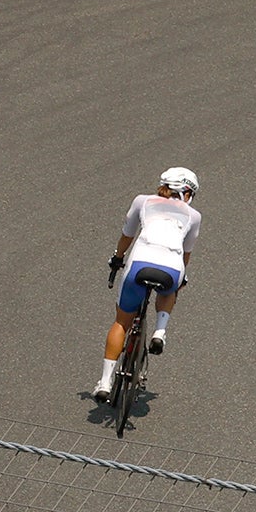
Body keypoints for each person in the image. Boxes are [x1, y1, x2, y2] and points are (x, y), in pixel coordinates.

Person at [94, 167, 201, 402]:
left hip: (139, 263)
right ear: (187, 192)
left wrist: (117, 258)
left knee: (122, 322)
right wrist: (182, 277)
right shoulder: (194, 216)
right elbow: (186, 253)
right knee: (171, 290)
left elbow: (127, 236)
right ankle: (160, 331)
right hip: (172, 267)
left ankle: (104, 382)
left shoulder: (142, 201)